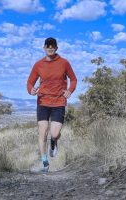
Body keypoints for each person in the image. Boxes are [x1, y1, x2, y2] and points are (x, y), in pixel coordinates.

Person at [27, 37, 77, 172]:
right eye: (47, 46)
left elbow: (73, 79)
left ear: (56, 48)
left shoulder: (64, 63)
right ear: (44, 48)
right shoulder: (38, 64)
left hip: (59, 102)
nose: (50, 48)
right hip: (43, 102)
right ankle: (45, 163)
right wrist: (30, 89)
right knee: (42, 133)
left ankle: (54, 142)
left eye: (52, 46)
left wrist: (70, 90)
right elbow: (30, 82)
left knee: (54, 134)